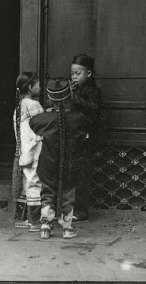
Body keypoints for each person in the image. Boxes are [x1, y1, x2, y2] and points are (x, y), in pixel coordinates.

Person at [29, 77, 91, 239]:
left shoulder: (43, 120)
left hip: (47, 163)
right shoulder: (78, 119)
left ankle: (45, 226)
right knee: (68, 193)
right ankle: (67, 227)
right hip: (70, 164)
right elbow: (86, 123)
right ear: (69, 97)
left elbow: (33, 123)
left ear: (49, 99)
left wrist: (48, 114)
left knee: (47, 192)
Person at [69, 53, 105, 223]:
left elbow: (94, 109)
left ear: (88, 74)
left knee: (81, 175)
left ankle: (81, 211)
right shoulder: (76, 89)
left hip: (86, 138)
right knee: (74, 174)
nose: (74, 77)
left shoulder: (93, 91)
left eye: (78, 74)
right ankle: (73, 208)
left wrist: (74, 97)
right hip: (75, 136)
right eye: (72, 74)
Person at [12, 72, 44, 231]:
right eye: (38, 84)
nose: (40, 87)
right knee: (34, 184)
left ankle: (21, 217)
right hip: (34, 151)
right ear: (31, 87)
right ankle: (34, 221)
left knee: (26, 183)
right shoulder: (33, 105)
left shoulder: (19, 107)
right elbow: (43, 126)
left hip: (24, 151)